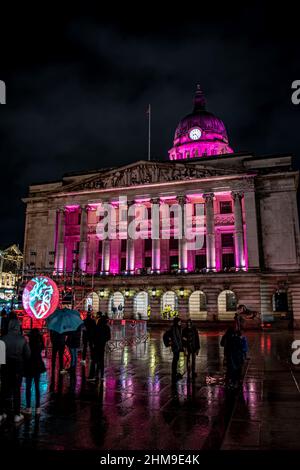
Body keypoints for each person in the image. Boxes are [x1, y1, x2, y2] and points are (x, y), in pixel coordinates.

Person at [0, 319, 30, 424]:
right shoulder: (22, 340)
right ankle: (17, 414)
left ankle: (1, 413)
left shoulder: (3, 339)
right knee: (17, 390)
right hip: (18, 368)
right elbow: (27, 355)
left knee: (4, 390)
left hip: (5, 368)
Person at [23, 329, 46, 415]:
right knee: (37, 387)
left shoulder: (28, 344)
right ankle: (38, 408)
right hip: (38, 367)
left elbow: (25, 355)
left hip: (29, 367)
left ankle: (28, 408)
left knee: (28, 387)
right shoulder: (39, 343)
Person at [89, 314, 111, 381]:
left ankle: (92, 376)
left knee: (94, 361)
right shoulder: (107, 327)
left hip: (95, 345)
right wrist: (104, 340)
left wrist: (92, 343)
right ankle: (101, 375)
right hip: (102, 345)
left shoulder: (96, 327)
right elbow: (108, 337)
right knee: (101, 361)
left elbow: (92, 336)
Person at [169, 317, 183, 384]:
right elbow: (175, 338)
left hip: (177, 347)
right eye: (179, 322)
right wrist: (178, 346)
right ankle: (174, 372)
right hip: (175, 347)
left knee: (176, 359)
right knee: (175, 359)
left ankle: (175, 372)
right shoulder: (174, 328)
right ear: (177, 322)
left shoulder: (177, 327)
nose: (180, 323)